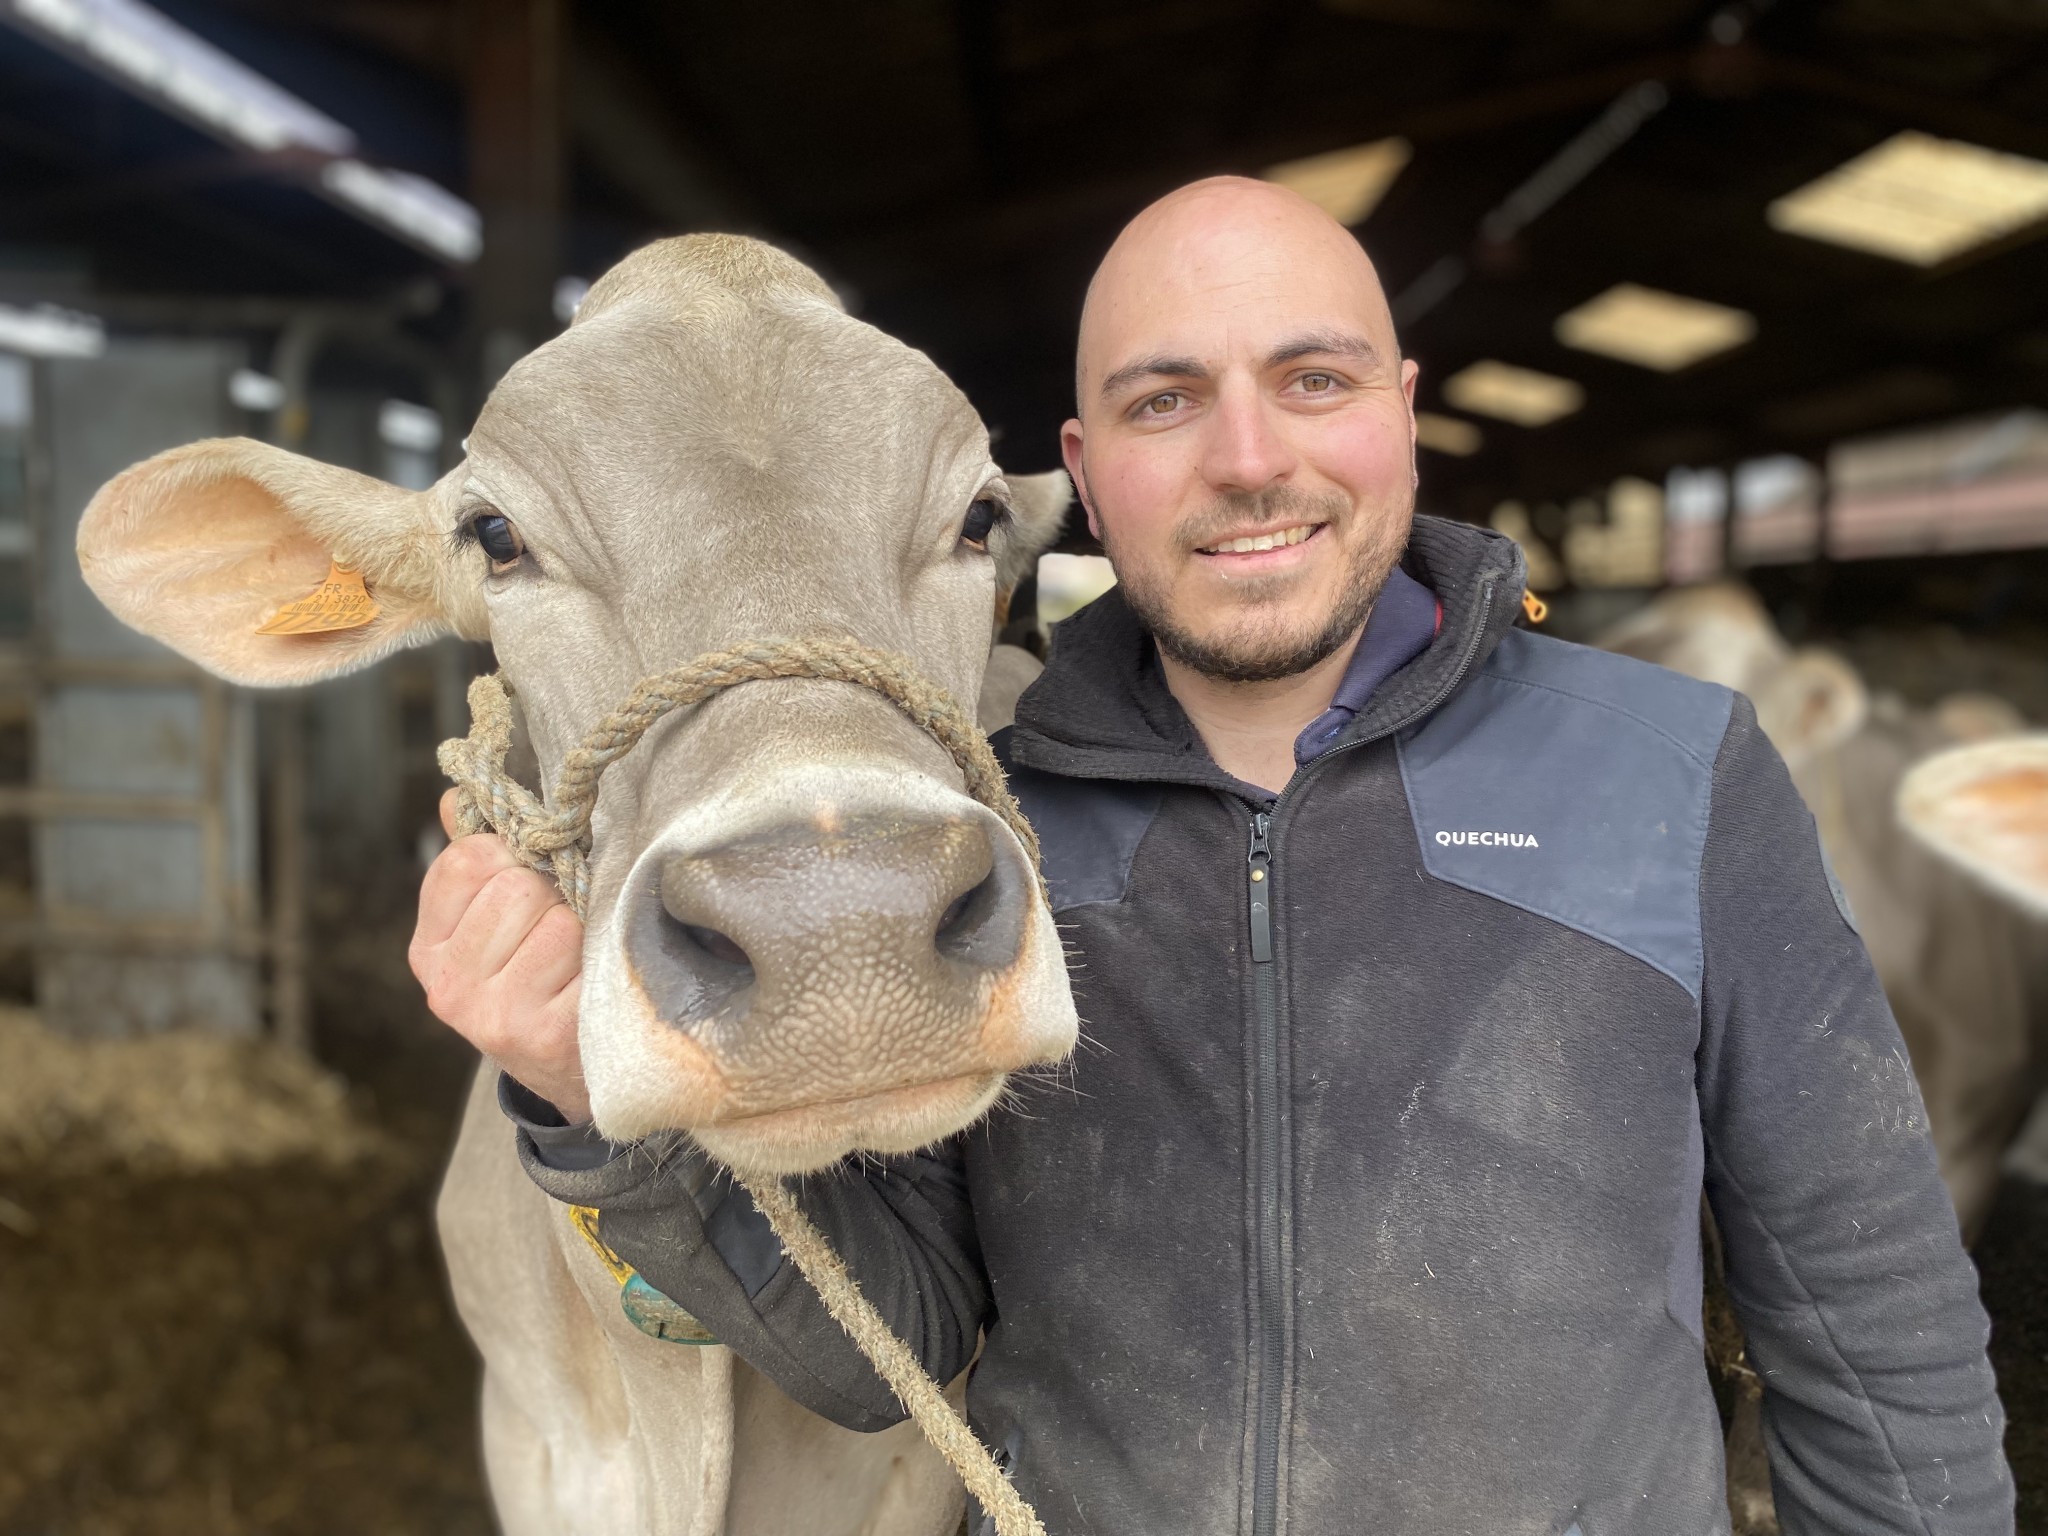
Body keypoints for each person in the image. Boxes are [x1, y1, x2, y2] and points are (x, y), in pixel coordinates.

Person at [409, 178, 2013, 1533]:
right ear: (1083, 478)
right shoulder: (994, 828)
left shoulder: (1676, 768)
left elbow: (1872, 1318)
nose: (1249, 459)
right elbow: (885, 1342)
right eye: (1164, 402)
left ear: (1404, 407)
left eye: (1314, 381)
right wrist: (572, 1089)